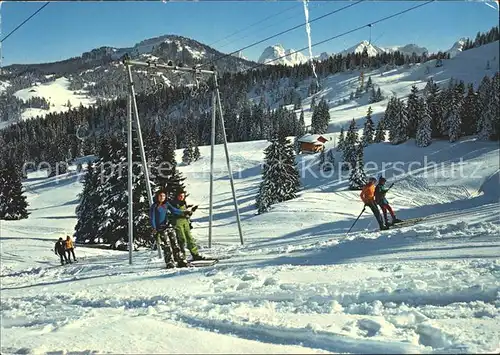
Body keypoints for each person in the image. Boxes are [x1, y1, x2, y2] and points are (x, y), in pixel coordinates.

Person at [150, 189, 190, 268]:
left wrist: (184, 212)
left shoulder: (166, 204)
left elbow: (174, 210)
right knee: (167, 245)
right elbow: (152, 218)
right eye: (160, 196)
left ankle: (179, 260)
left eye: (164, 196)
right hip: (160, 228)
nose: (162, 197)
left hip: (167, 226)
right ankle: (169, 262)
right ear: (157, 196)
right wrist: (154, 228)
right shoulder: (154, 206)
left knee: (175, 243)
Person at [169, 190, 208, 261]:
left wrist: (191, 211)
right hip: (178, 222)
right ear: (177, 196)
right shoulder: (173, 203)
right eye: (180, 196)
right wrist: (185, 213)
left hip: (185, 222)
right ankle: (182, 257)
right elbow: (175, 212)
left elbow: (186, 213)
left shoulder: (183, 203)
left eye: (183, 196)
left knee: (190, 238)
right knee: (181, 239)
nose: (181, 197)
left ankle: (195, 254)